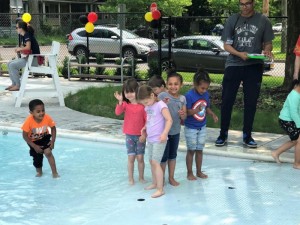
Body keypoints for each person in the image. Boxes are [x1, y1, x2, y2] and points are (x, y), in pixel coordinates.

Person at [215, 0, 274, 148]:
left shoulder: (263, 20)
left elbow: (268, 42)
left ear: (253, 3)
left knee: (251, 102)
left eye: (247, 4)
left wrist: (267, 49)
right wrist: (239, 54)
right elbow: (226, 45)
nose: (244, 7)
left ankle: (247, 136)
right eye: (241, 4)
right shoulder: (232, 19)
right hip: (234, 64)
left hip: (254, 65)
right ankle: (223, 134)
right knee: (227, 100)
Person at [137, 85, 173, 198]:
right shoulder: (148, 107)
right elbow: (150, 120)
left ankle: (160, 189)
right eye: (143, 103)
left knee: (156, 162)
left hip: (159, 139)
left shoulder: (160, 105)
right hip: (151, 138)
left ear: (152, 95)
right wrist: (145, 128)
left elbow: (169, 120)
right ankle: (154, 183)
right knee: (152, 161)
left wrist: (164, 133)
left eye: (146, 102)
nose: (145, 105)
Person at [185, 69, 218, 180]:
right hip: (191, 128)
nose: (204, 91)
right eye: (202, 88)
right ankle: (189, 173)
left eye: (206, 88)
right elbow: (187, 112)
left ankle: (199, 171)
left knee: (200, 150)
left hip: (202, 126)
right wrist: (196, 110)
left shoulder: (206, 95)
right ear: (195, 84)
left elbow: (206, 107)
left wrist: (212, 114)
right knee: (191, 150)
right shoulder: (189, 96)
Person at [114, 78, 147, 185]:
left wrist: (144, 134)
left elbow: (147, 121)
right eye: (126, 92)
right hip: (129, 135)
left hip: (140, 136)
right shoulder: (125, 104)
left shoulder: (143, 106)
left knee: (140, 158)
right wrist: (119, 101)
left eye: (131, 91)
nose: (129, 94)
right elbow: (117, 113)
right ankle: (131, 178)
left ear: (137, 91)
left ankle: (141, 177)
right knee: (131, 157)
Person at [158, 72, 187, 186]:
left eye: (176, 84)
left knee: (172, 156)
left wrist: (182, 114)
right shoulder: (162, 96)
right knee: (163, 157)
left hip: (175, 132)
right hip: (163, 132)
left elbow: (184, 117)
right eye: (170, 84)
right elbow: (155, 110)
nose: (173, 86)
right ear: (166, 84)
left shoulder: (182, 99)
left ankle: (171, 178)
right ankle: (161, 179)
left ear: (181, 85)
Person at [21, 99, 59, 178]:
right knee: (37, 157)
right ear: (32, 113)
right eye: (38, 111)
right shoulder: (28, 121)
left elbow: (53, 128)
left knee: (48, 152)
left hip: (45, 137)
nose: (41, 113)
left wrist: (52, 141)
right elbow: (24, 136)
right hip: (33, 141)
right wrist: (34, 146)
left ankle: (54, 173)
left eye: (43, 110)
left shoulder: (47, 117)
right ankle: (39, 172)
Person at [271, 80, 300, 169]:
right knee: (299, 141)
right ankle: (296, 164)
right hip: (286, 120)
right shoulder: (294, 95)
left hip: (292, 120)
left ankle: (276, 153)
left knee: (295, 140)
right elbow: (293, 113)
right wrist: (299, 125)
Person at [6, 20, 40, 91]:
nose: (16, 29)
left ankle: (18, 85)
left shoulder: (27, 35)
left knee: (12, 65)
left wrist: (19, 49)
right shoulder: (23, 36)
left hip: (33, 60)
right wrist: (20, 49)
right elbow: (25, 48)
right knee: (9, 63)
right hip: (28, 58)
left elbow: (28, 47)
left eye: (16, 27)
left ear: (21, 28)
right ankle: (14, 84)